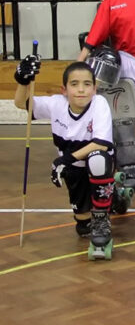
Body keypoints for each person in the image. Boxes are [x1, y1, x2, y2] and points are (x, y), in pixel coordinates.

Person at [14, 59, 119, 258]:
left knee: (97, 159)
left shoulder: (99, 103)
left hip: (97, 162)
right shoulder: (56, 104)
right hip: (73, 167)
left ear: (95, 89)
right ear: (64, 90)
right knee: (83, 226)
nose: (81, 89)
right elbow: (21, 103)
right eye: (74, 84)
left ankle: (101, 221)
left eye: (87, 84)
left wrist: (63, 161)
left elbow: (101, 144)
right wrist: (22, 81)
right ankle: (115, 196)